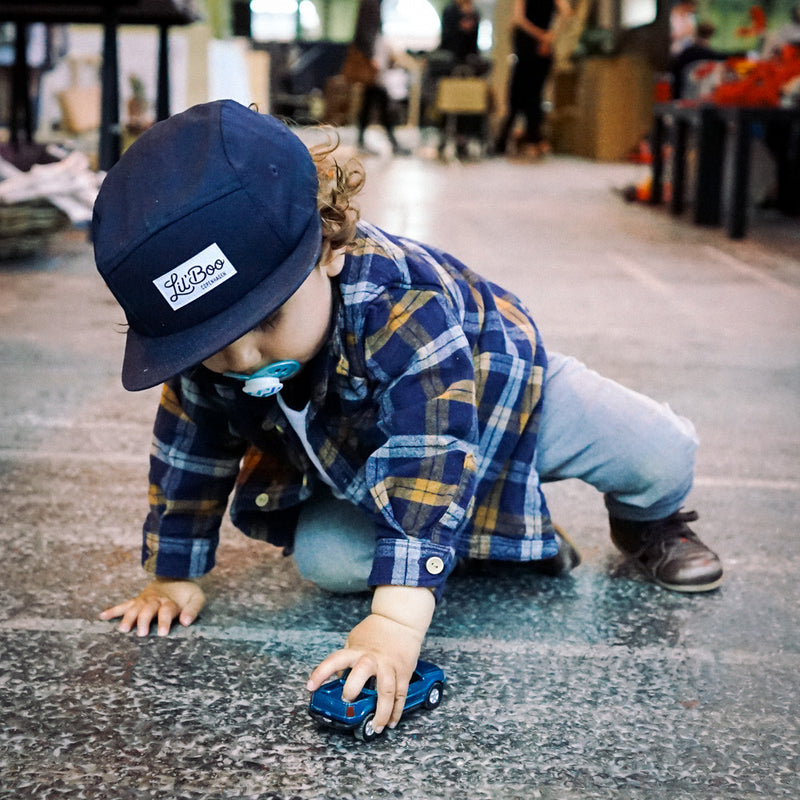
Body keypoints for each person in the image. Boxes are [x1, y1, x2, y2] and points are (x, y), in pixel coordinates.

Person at [94, 100, 723, 737]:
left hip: (505, 394)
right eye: (210, 344)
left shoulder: (403, 302)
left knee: (658, 453)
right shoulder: (219, 359)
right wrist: (172, 576)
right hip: (369, 456)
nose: (242, 358)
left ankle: (649, 524)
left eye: (263, 322)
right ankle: (485, 539)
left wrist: (393, 625)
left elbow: (432, 447)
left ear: (328, 249)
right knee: (328, 560)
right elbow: (188, 448)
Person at [494, 0, 573, 157]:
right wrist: (547, 35)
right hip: (534, 45)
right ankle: (527, 139)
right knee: (527, 94)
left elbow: (518, 18)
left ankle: (524, 139)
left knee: (526, 94)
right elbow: (566, 12)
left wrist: (546, 36)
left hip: (533, 46)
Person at [350, 0, 407, 155]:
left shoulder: (375, 4)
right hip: (372, 59)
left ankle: (384, 140)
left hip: (374, 56)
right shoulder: (370, 4)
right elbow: (364, 31)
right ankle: (391, 141)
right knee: (377, 100)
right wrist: (371, 57)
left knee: (373, 101)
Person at [669, 21, 727, 99]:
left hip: (684, 97)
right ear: (711, 35)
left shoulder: (684, 55)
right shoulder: (716, 57)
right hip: (707, 98)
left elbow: (675, 77)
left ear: (696, 33)